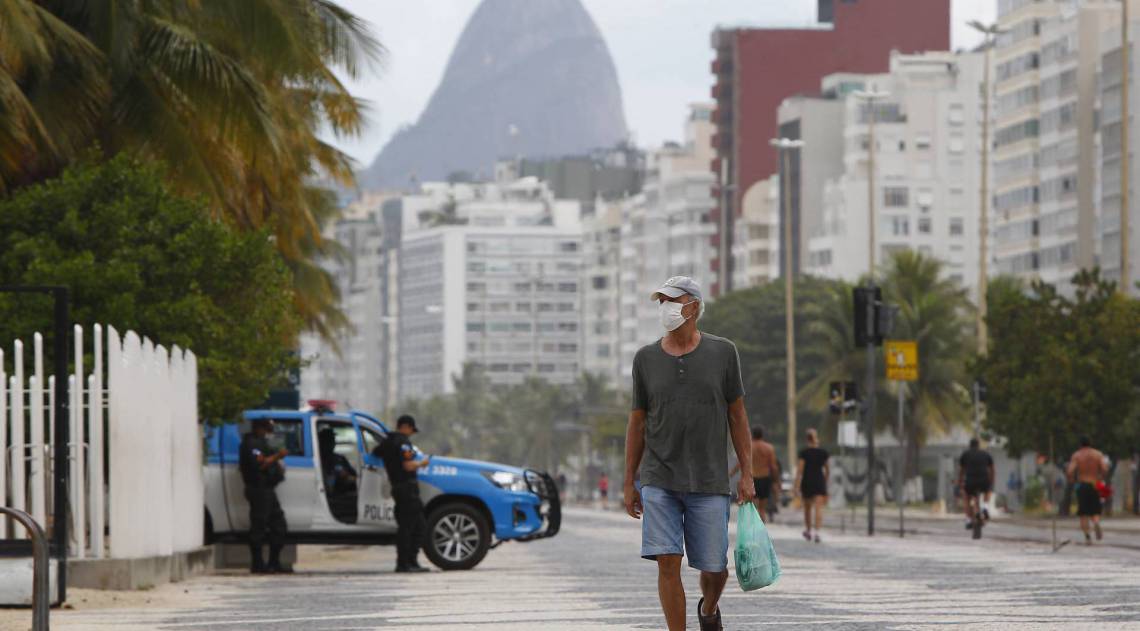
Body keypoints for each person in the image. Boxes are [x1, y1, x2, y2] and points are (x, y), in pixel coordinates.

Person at [624, 276, 754, 631]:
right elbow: (636, 423)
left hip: (710, 479)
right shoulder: (645, 359)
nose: (665, 308)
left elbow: (737, 415)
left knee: (715, 567)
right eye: (661, 301)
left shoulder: (724, 352)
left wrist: (747, 472)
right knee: (667, 560)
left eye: (672, 300)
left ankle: (709, 610)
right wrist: (628, 482)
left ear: (694, 306)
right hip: (659, 478)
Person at [239, 419, 289, 573]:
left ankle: (273, 563)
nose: (269, 434)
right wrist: (277, 457)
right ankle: (257, 564)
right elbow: (260, 464)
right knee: (258, 527)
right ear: (259, 429)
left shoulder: (261, 443)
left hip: (267, 489)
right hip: (258, 490)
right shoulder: (251, 444)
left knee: (279, 526)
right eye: (268, 430)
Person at [730, 426, 780, 522]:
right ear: (762, 435)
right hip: (765, 479)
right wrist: (776, 480)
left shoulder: (749, 447)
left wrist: (731, 473)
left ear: (752, 434)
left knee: (753, 508)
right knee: (762, 508)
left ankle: (753, 532)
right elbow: (773, 466)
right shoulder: (769, 448)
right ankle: (761, 531)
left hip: (753, 479)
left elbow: (741, 462)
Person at [1067, 436, 1108, 545]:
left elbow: (1070, 471)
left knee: (1083, 513)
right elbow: (1104, 469)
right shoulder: (1098, 454)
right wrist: (1101, 478)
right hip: (1095, 484)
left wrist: (1072, 480)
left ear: (1080, 445)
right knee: (1095, 509)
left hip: (1082, 485)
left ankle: (1088, 537)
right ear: (1090, 443)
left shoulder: (1077, 455)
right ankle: (1096, 522)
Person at [795, 428, 830, 543]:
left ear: (807, 439)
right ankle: (817, 532)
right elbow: (827, 470)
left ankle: (809, 531)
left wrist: (796, 486)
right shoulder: (823, 453)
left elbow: (800, 471)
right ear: (816, 438)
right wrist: (824, 481)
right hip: (819, 482)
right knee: (818, 508)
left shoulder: (803, 453)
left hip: (807, 482)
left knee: (807, 509)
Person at [317, 427, 358, 522]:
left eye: (333, 440)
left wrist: (347, 476)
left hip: (341, 496)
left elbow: (355, 478)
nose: (332, 443)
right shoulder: (317, 459)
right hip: (326, 499)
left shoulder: (339, 458)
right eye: (329, 441)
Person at [957, 438, 994, 538]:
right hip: (984, 481)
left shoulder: (965, 454)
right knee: (988, 491)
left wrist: (960, 483)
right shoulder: (986, 454)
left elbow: (962, 471)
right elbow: (992, 470)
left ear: (970, 445)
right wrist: (991, 483)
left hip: (970, 482)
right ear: (978, 445)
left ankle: (968, 519)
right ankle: (985, 507)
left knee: (966, 497)